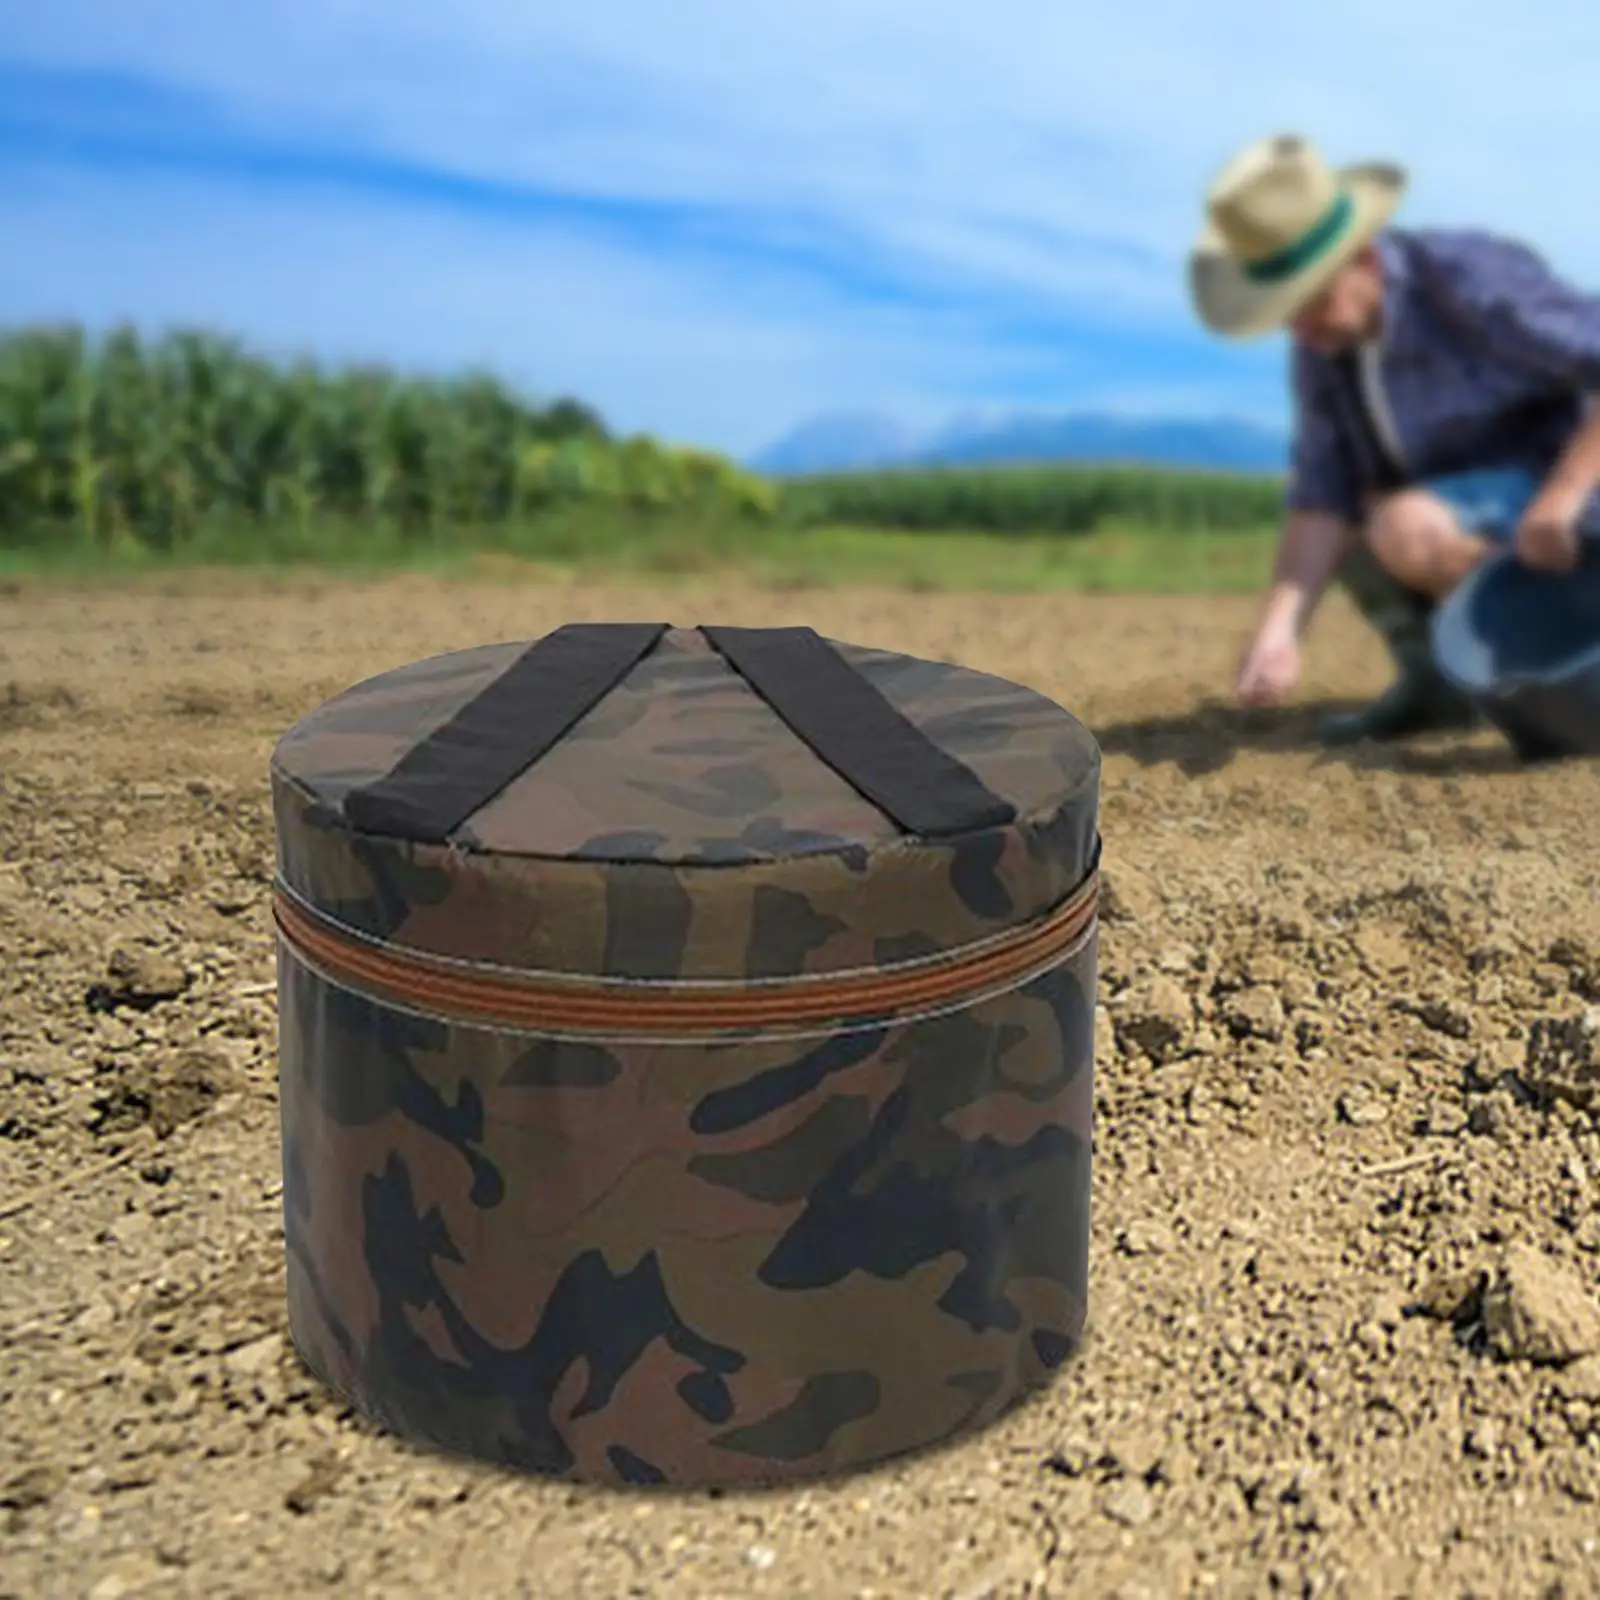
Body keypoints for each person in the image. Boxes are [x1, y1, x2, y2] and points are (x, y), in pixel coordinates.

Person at [1189, 134, 1600, 745]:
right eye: (1287, 312)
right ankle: (1439, 686)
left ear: (1362, 258)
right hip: (1480, 520)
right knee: (1364, 515)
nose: (1302, 327)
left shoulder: (1470, 279)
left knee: (1405, 524)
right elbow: (1321, 496)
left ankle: (1570, 652)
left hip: (1572, 498)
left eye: (1312, 300)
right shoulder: (1324, 349)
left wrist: (1560, 500)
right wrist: (1280, 632)